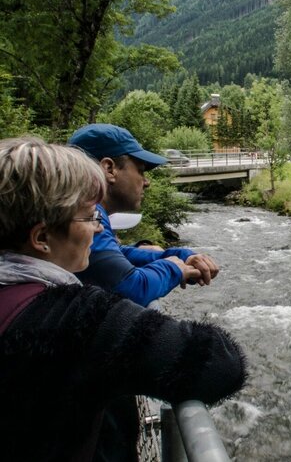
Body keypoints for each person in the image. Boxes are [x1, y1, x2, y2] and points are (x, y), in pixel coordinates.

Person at [0, 137, 246, 461]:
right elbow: (219, 363)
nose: (100, 231)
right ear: (42, 238)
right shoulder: (78, 317)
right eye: (89, 218)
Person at [67, 123, 219, 306]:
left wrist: (179, 255)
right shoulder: (85, 214)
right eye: (140, 171)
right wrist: (173, 268)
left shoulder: (81, 210)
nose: (146, 182)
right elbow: (132, 288)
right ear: (109, 169)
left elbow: (113, 256)